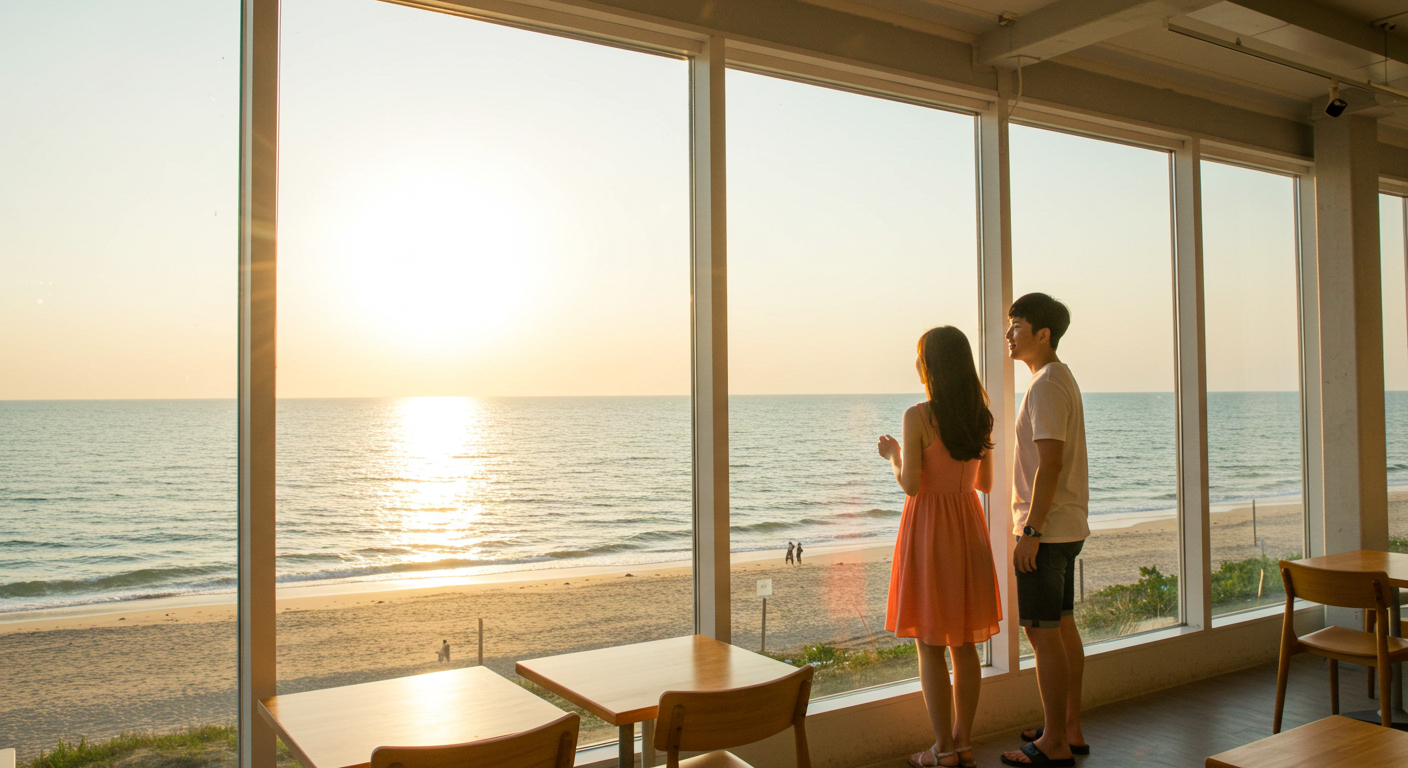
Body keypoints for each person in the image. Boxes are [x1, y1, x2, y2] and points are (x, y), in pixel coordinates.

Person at [879, 326, 1002, 768]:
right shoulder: (981, 416)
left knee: (930, 644)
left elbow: (911, 485)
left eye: (919, 357)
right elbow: (985, 484)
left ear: (930, 366)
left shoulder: (917, 416)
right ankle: (963, 741)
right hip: (968, 528)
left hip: (929, 531)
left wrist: (893, 456)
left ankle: (942, 750)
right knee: (964, 643)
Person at [1000, 293, 1089, 768]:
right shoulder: (1057, 378)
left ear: (1043, 334)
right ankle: (1068, 726)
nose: (1008, 334)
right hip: (1065, 528)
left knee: (1042, 635)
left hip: (1047, 532)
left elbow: (1049, 464)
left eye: (1016, 325)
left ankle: (1054, 740)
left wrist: (1030, 530)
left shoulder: (1047, 385)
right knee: (1063, 627)